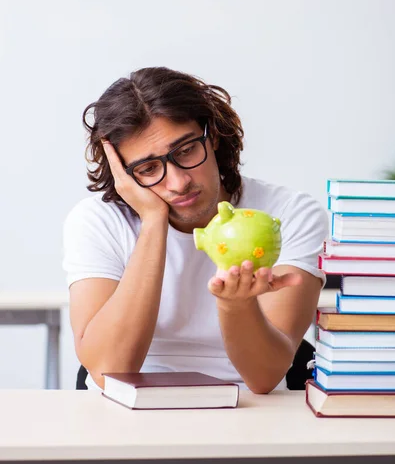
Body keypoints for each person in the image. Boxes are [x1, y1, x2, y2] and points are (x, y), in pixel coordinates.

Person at [63, 66, 328, 393]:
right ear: (124, 175)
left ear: (212, 135)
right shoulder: (96, 221)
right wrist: (153, 221)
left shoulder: (290, 213)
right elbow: (108, 372)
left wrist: (235, 304)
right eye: (148, 169)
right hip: (125, 411)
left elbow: (264, 377)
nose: (178, 182)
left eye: (187, 150)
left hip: (252, 413)